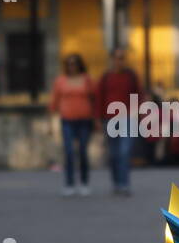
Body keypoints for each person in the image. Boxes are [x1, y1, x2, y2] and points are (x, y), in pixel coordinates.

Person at [98, 46, 142, 196]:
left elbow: (140, 95)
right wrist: (97, 119)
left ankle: (124, 184)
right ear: (112, 59)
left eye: (122, 58)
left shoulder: (131, 76)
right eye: (117, 58)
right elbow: (99, 99)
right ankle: (116, 182)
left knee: (124, 151)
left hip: (128, 118)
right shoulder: (106, 78)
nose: (120, 61)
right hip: (109, 119)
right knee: (113, 153)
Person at [50, 53, 95, 196]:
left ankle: (84, 182)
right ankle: (69, 183)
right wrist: (50, 123)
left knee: (82, 151)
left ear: (79, 64)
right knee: (69, 152)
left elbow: (94, 99)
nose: (72, 66)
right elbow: (54, 103)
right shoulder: (61, 81)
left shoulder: (87, 80)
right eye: (69, 63)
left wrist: (97, 119)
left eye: (74, 63)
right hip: (67, 120)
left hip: (84, 120)